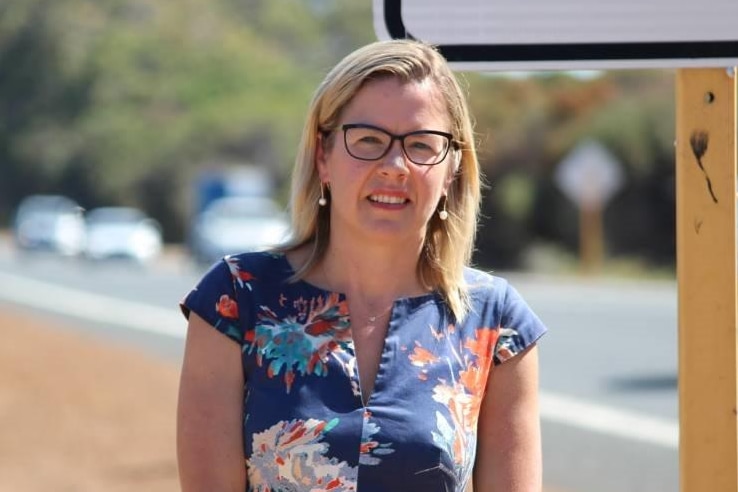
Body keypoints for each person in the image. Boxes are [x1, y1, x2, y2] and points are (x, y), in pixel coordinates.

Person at [177, 39, 547, 492]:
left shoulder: (497, 322)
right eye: (368, 140)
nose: (394, 166)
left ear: (452, 168)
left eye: (421, 144)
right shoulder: (236, 298)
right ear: (323, 156)